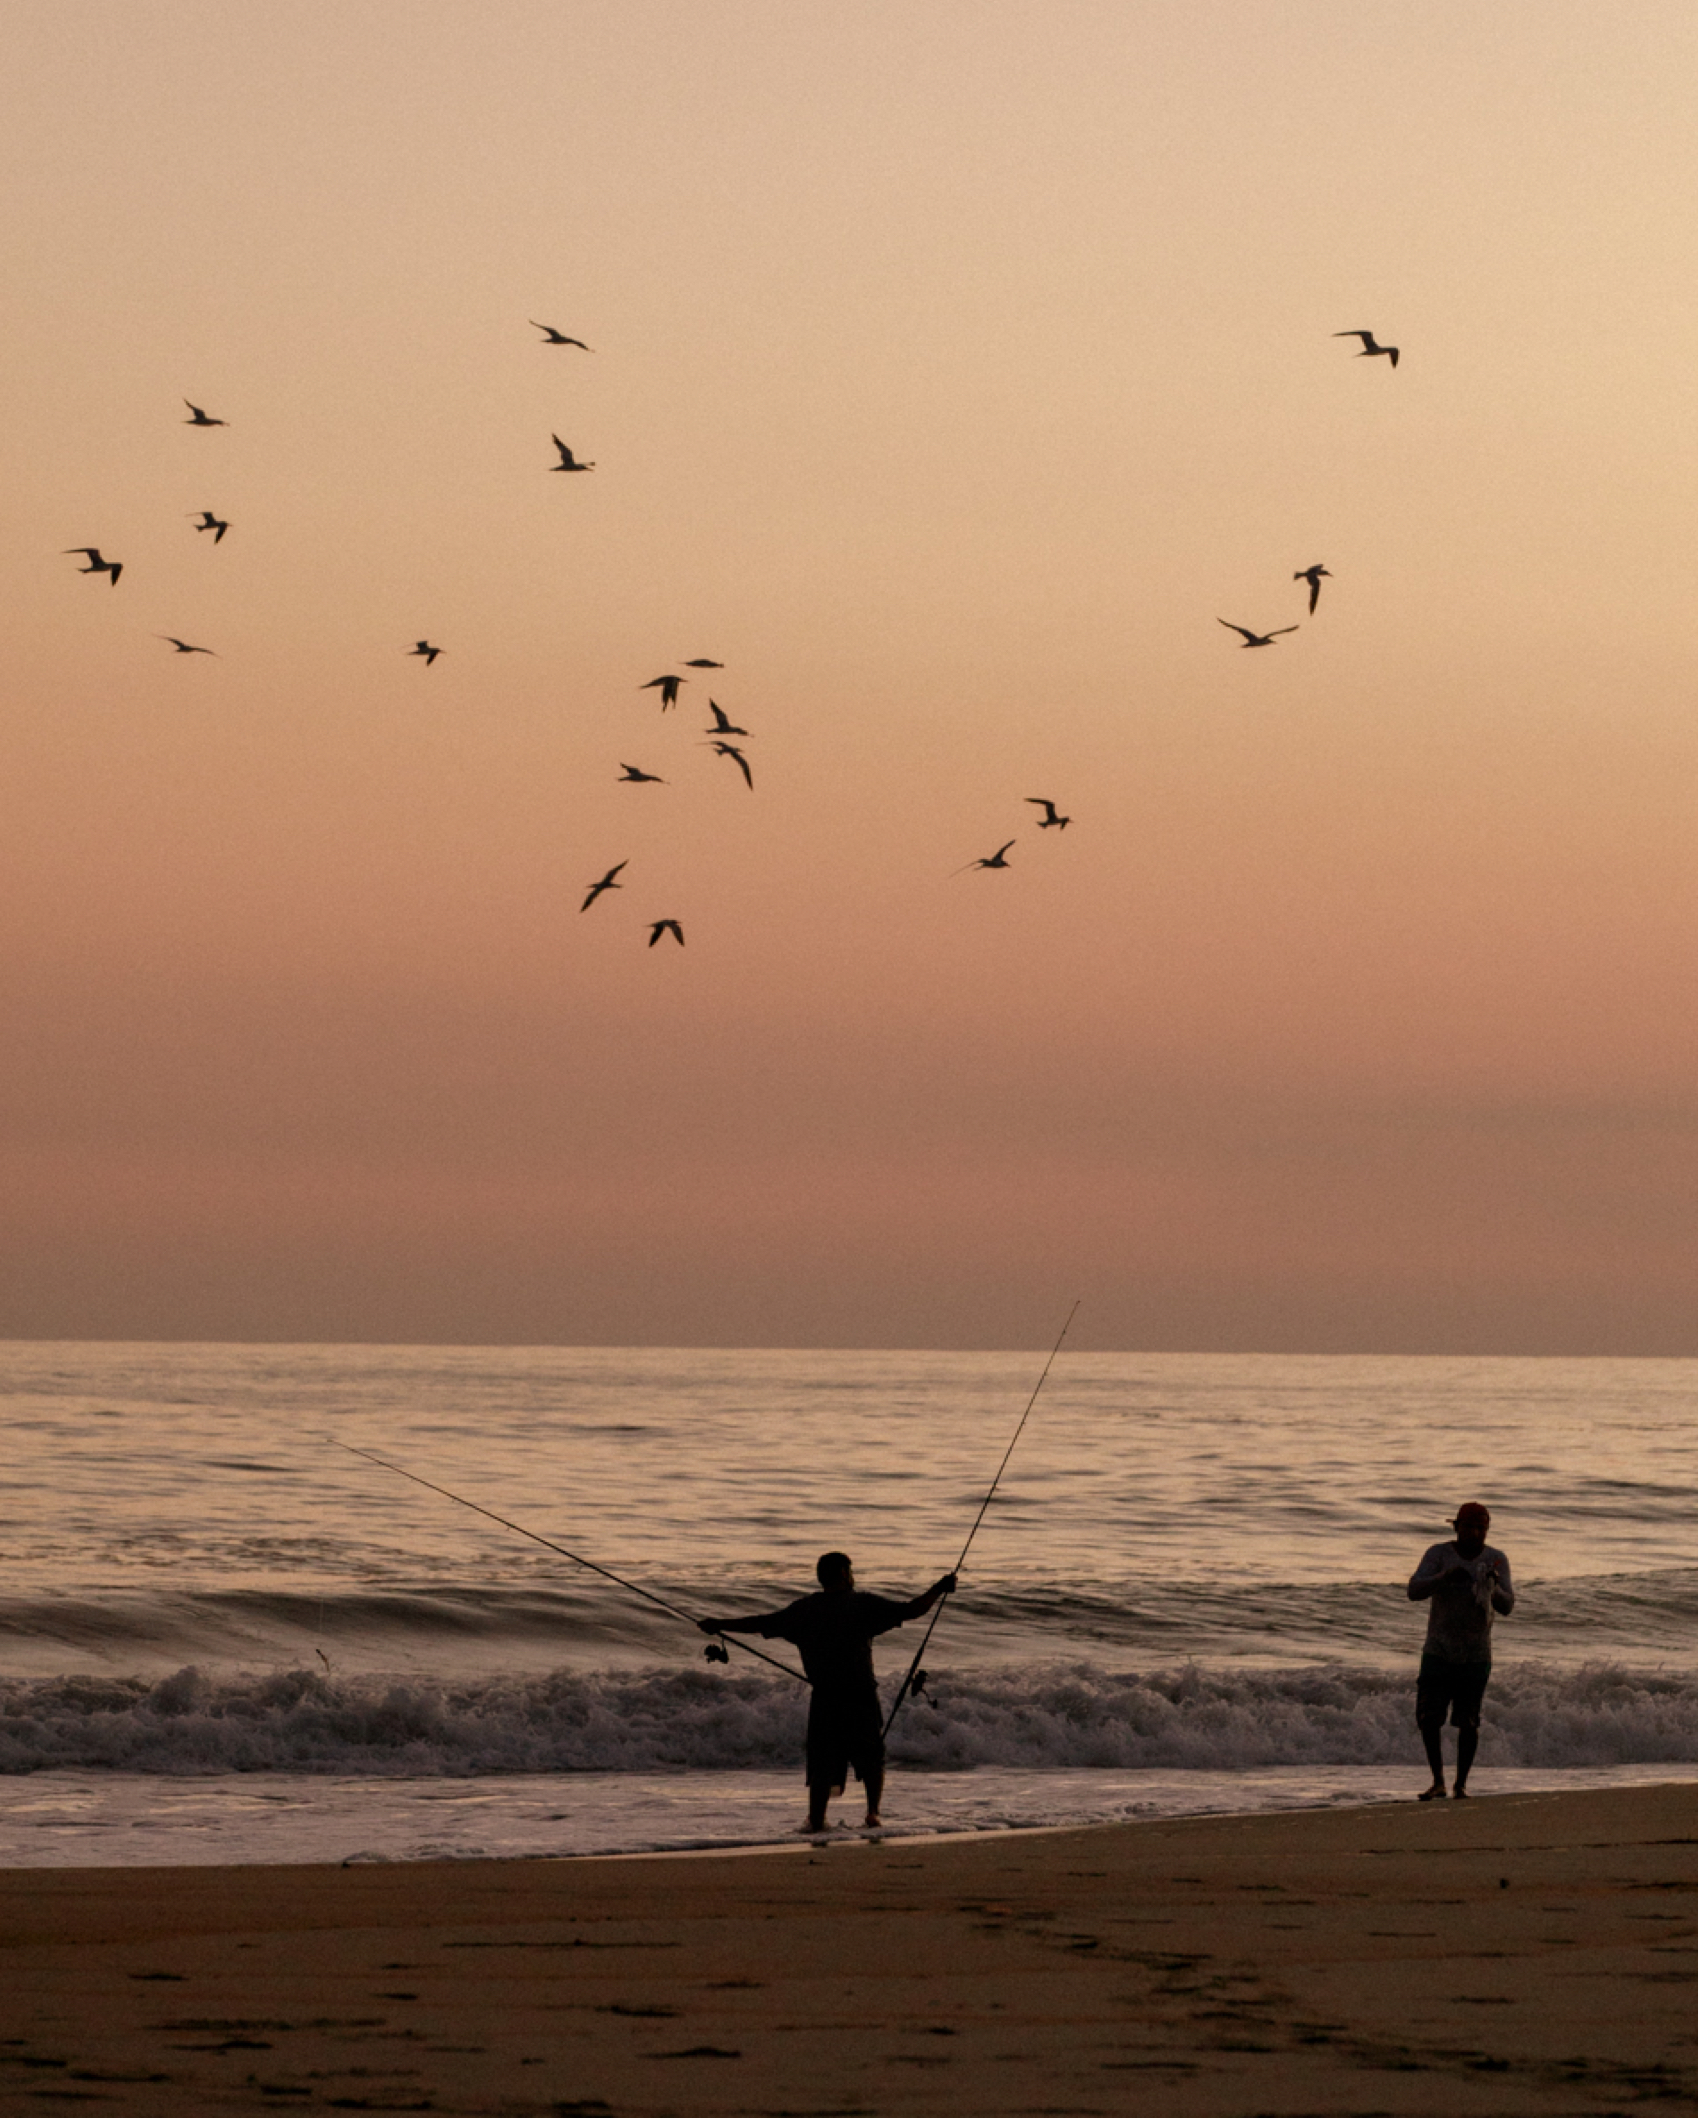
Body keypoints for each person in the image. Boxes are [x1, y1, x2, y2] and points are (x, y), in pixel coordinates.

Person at [699, 1552, 956, 1833]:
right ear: (845, 1574)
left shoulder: (803, 1611)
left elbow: (760, 1622)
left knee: (821, 1763)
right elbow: (912, 1609)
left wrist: (719, 1624)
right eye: (851, 1572)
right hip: (861, 1696)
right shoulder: (862, 1605)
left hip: (825, 1698)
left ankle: (817, 1820)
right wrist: (939, 1589)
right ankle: (872, 1813)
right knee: (872, 1757)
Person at [1407, 1501, 1515, 1800]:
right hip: (1438, 1650)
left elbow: (1507, 1607)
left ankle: (1461, 1785)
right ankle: (1438, 1781)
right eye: (1469, 1526)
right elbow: (1413, 1590)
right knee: (1429, 1717)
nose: (1475, 1532)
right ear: (1456, 1527)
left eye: (1481, 1527)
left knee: (1468, 1721)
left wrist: (1492, 1588)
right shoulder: (1439, 1554)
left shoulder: (1496, 1560)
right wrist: (1442, 1578)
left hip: (1476, 1654)